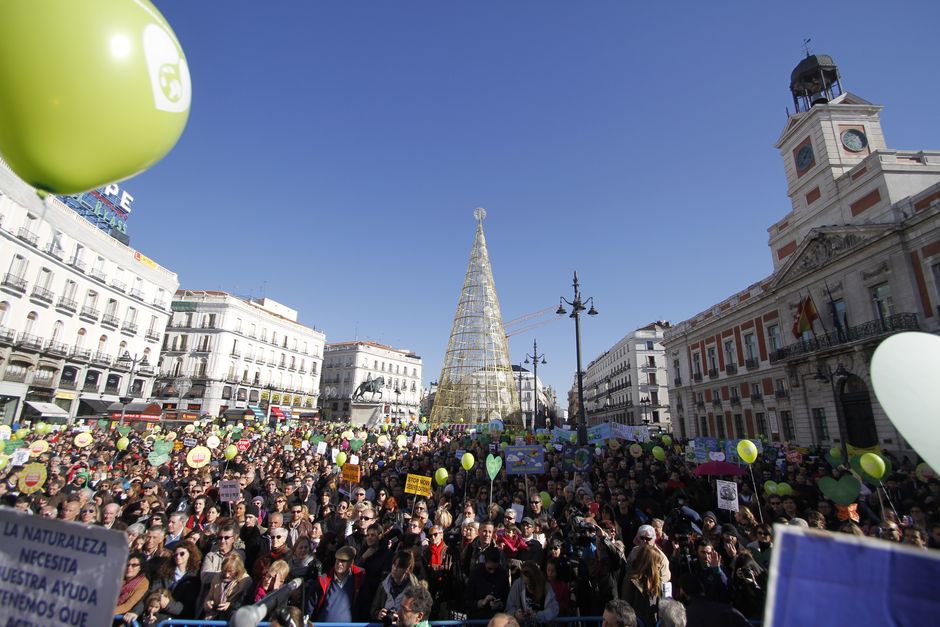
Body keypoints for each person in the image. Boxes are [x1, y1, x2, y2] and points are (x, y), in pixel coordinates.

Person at [308, 545, 368, 622]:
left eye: (343, 561)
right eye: (337, 560)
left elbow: (364, 607)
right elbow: (311, 606)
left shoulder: (359, 580)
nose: (339, 563)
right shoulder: (324, 580)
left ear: (351, 563)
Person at [372, 551, 422, 623]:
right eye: (394, 564)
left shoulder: (415, 589)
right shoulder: (383, 585)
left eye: (399, 567)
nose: (395, 568)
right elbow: (374, 609)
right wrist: (378, 614)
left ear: (407, 569)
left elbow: (419, 615)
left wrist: (403, 619)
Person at [621, 544, 663, 627]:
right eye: (657, 562)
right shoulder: (631, 580)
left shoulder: (657, 580)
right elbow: (626, 607)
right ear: (650, 563)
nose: (659, 565)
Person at [203, 553, 252, 621]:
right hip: (213, 617)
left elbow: (242, 602)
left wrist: (229, 605)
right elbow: (209, 596)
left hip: (231, 618)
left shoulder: (245, 580)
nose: (227, 575)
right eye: (225, 571)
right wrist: (207, 602)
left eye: (230, 571)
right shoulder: (217, 577)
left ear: (238, 569)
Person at [114, 552, 150, 617]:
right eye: (127, 565)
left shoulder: (143, 583)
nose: (129, 568)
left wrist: (107, 611)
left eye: (134, 565)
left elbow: (127, 605)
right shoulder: (118, 577)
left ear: (140, 567)